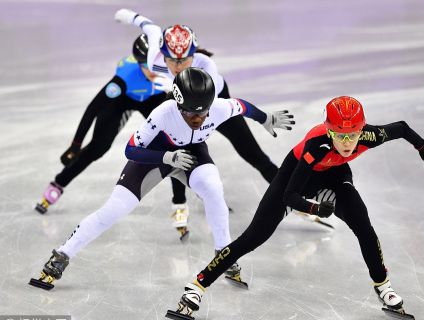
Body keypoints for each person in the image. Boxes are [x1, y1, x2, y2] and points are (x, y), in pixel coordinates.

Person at [167, 96, 424, 320]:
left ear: (361, 130)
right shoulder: (316, 146)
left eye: (352, 135)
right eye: (340, 136)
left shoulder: (369, 134)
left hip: (334, 175)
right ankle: (197, 286)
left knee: (364, 227)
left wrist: (423, 147)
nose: (347, 143)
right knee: (253, 237)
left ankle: (384, 287)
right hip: (295, 177)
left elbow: (401, 128)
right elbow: (290, 195)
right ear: (329, 132)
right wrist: (316, 209)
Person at [29, 67, 294, 291]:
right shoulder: (163, 113)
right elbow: (130, 150)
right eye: (191, 114)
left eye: (203, 114)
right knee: (115, 209)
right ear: (178, 104)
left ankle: (223, 255)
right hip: (154, 157)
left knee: (214, 188)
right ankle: (62, 254)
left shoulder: (219, 108)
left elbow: (243, 106)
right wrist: (167, 158)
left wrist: (266, 119)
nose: (198, 120)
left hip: (192, 156)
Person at [114, 9, 281, 239]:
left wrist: (259, 117)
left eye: (184, 60)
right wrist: (127, 15)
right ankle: (179, 204)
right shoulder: (155, 60)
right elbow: (150, 28)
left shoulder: (207, 66)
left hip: (213, 103)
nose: (178, 66)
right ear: (163, 54)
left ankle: (288, 192)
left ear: (194, 55)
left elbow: (213, 105)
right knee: (175, 149)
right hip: (181, 101)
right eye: (172, 60)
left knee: (253, 153)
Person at [35, 34, 168, 214]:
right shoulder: (124, 79)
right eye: (146, 65)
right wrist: (75, 145)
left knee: (171, 137)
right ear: (138, 63)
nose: (153, 70)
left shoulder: (169, 68)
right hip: (123, 99)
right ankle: (58, 183)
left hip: (152, 98)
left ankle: (195, 186)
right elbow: (93, 109)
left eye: (156, 64)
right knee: (99, 147)